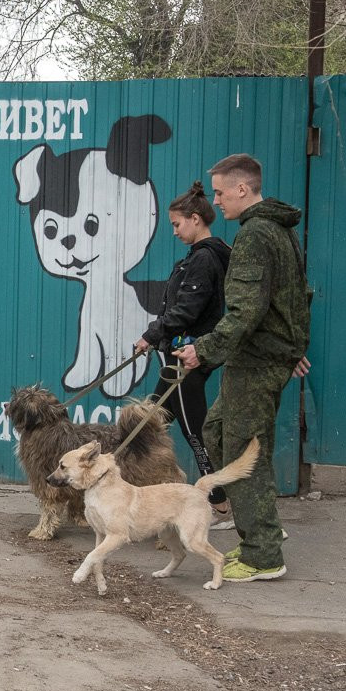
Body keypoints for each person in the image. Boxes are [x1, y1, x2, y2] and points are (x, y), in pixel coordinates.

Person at [176, 154, 311, 583]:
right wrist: (290, 347)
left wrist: (204, 350)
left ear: (242, 189)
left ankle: (261, 554)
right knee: (217, 433)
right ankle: (264, 529)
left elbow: (247, 309)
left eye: (219, 192)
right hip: (263, 357)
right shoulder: (279, 232)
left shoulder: (256, 234)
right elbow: (294, 297)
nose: (216, 201)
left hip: (254, 364)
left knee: (244, 455)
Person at [133, 182, 234, 528]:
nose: (174, 231)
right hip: (176, 357)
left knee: (195, 432)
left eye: (177, 224)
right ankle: (140, 493)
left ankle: (219, 506)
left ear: (194, 219)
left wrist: (151, 334)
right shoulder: (197, 256)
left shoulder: (205, 257)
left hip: (187, 359)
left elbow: (187, 310)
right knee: (148, 425)